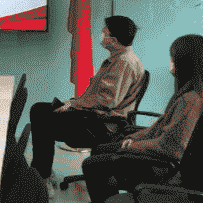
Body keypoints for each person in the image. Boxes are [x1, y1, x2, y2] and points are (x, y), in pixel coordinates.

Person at [82, 34, 203, 203]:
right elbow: (159, 129)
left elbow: (171, 148)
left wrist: (132, 146)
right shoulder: (195, 95)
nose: (171, 62)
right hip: (163, 160)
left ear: (185, 62)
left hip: (163, 167)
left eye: (173, 57)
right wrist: (132, 139)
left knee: (92, 165)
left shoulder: (190, 100)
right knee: (101, 151)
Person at [29, 15, 146, 196]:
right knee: (40, 109)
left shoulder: (123, 63)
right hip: (96, 116)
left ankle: (42, 177)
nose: (101, 34)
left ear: (114, 40)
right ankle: (42, 171)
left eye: (104, 32)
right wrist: (73, 103)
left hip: (102, 125)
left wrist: (73, 105)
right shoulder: (120, 58)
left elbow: (107, 101)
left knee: (43, 119)